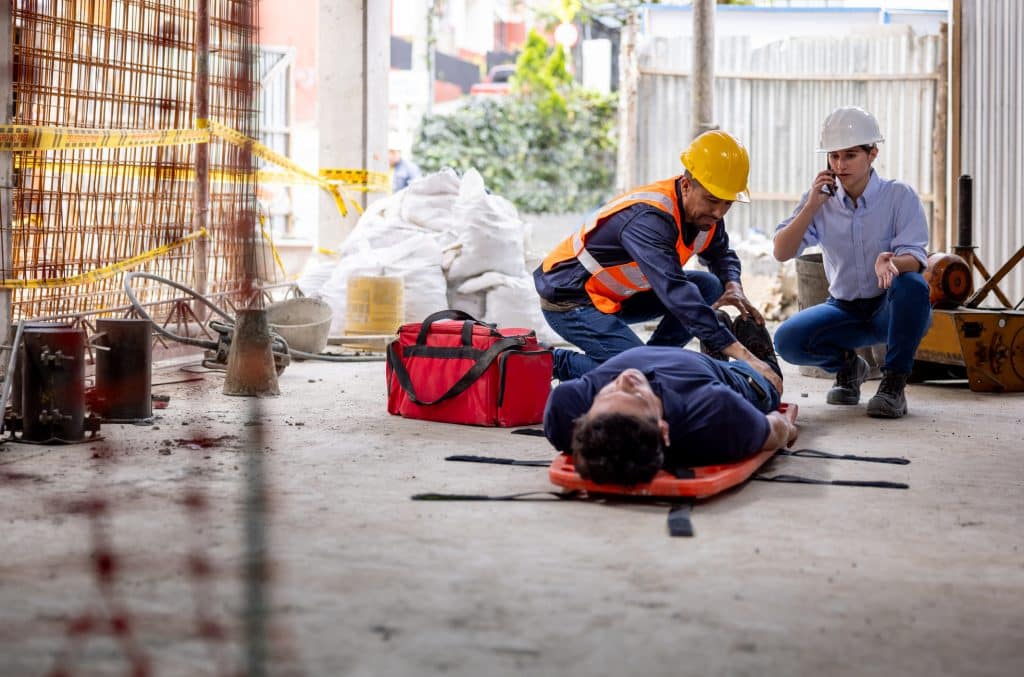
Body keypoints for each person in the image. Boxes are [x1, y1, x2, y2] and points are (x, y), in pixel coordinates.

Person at [533, 130, 779, 396]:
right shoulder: (650, 219)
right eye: (712, 200)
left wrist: (733, 286)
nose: (719, 212)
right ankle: (556, 361)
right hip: (571, 300)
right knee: (641, 378)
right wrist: (746, 357)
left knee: (709, 285)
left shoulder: (705, 216)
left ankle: (656, 362)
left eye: (727, 202)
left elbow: (720, 254)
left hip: (615, 295)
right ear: (686, 185)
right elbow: (677, 294)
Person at [772, 106, 931, 419]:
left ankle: (894, 385)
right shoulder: (820, 199)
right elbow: (781, 251)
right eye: (833, 157)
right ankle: (848, 367)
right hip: (844, 310)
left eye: (850, 155)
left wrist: (893, 263)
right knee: (786, 340)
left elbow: (916, 257)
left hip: (889, 308)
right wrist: (810, 207)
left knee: (912, 284)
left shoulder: (899, 196)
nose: (840, 165)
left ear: (873, 154)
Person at [543, 316, 797, 485]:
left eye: (607, 392)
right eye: (638, 397)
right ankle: (759, 358)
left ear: (584, 417)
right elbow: (777, 429)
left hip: (665, 358)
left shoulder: (565, 409)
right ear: (664, 430)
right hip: (730, 380)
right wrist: (787, 428)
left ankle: (717, 337)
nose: (625, 380)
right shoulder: (714, 413)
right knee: (768, 385)